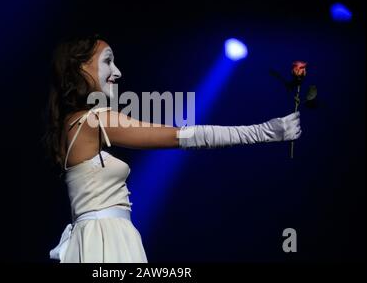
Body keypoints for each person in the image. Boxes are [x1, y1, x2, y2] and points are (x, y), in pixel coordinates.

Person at [43, 34, 302, 263]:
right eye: (108, 61)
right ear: (80, 67)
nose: (118, 71)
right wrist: (265, 132)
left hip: (96, 237)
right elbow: (181, 136)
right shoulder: (95, 119)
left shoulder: (71, 124)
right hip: (104, 239)